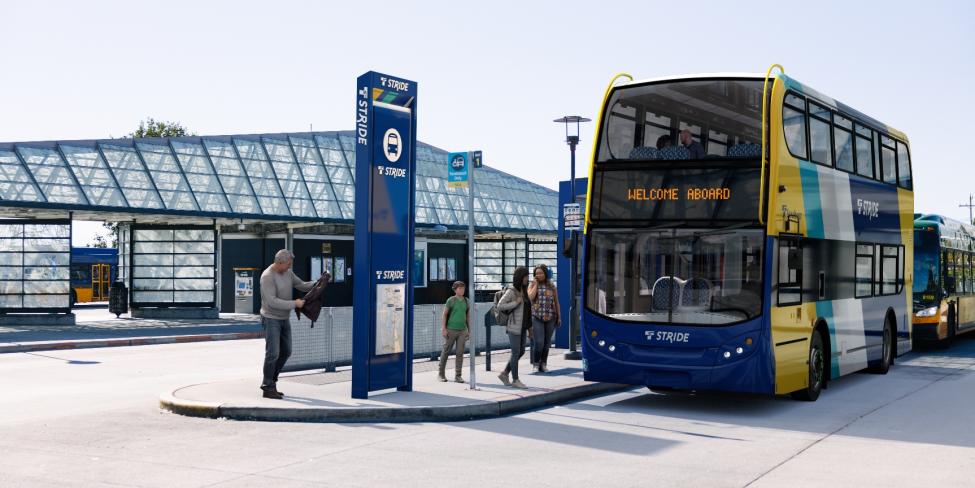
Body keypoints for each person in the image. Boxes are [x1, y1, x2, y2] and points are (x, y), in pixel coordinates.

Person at [258, 249, 314, 399]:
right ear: (280, 262)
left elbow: (301, 285)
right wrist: (295, 303)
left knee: (286, 351)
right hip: (271, 318)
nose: (290, 266)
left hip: (284, 318)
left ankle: (271, 382)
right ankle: (268, 386)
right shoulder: (267, 277)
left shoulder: (288, 273)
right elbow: (272, 301)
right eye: (288, 264)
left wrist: (318, 283)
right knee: (273, 353)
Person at [496, 267, 531, 389]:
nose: (527, 279)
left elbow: (528, 311)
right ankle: (515, 380)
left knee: (521, 351)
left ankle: (505, 373)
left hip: (523, 327)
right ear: (520, 277)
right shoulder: (512, 291)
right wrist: (515, 303)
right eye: (526, 276)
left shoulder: (524, 290)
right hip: (514, 326)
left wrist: (530, 329)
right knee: (515, 353)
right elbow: (500, 306)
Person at [528, 264, 560, 373]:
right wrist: (536, 284)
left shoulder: (552, 285)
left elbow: (556, 302)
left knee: (547, 343)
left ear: (545, 273)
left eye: (541, 273)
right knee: (539, 342)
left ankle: (543, 364)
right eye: (537, 273)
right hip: (537, 316)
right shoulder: (532, 284)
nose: (539, 275)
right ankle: (536, 364)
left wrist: (559, 317)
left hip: (551, 317)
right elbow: (530, 297)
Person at [438, 280, 470, 383]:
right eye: (460, 288)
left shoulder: (466, 301)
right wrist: (444, 329)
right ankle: (441, 374)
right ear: (455, 290)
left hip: (462, 331)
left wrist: (469, 330)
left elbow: (468, 316)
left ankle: (458, 376)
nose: (462, 290)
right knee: (446, 351)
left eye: (463, 288)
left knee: (460, 353)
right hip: (451, 330)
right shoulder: (451, 300)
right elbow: (444, 314)